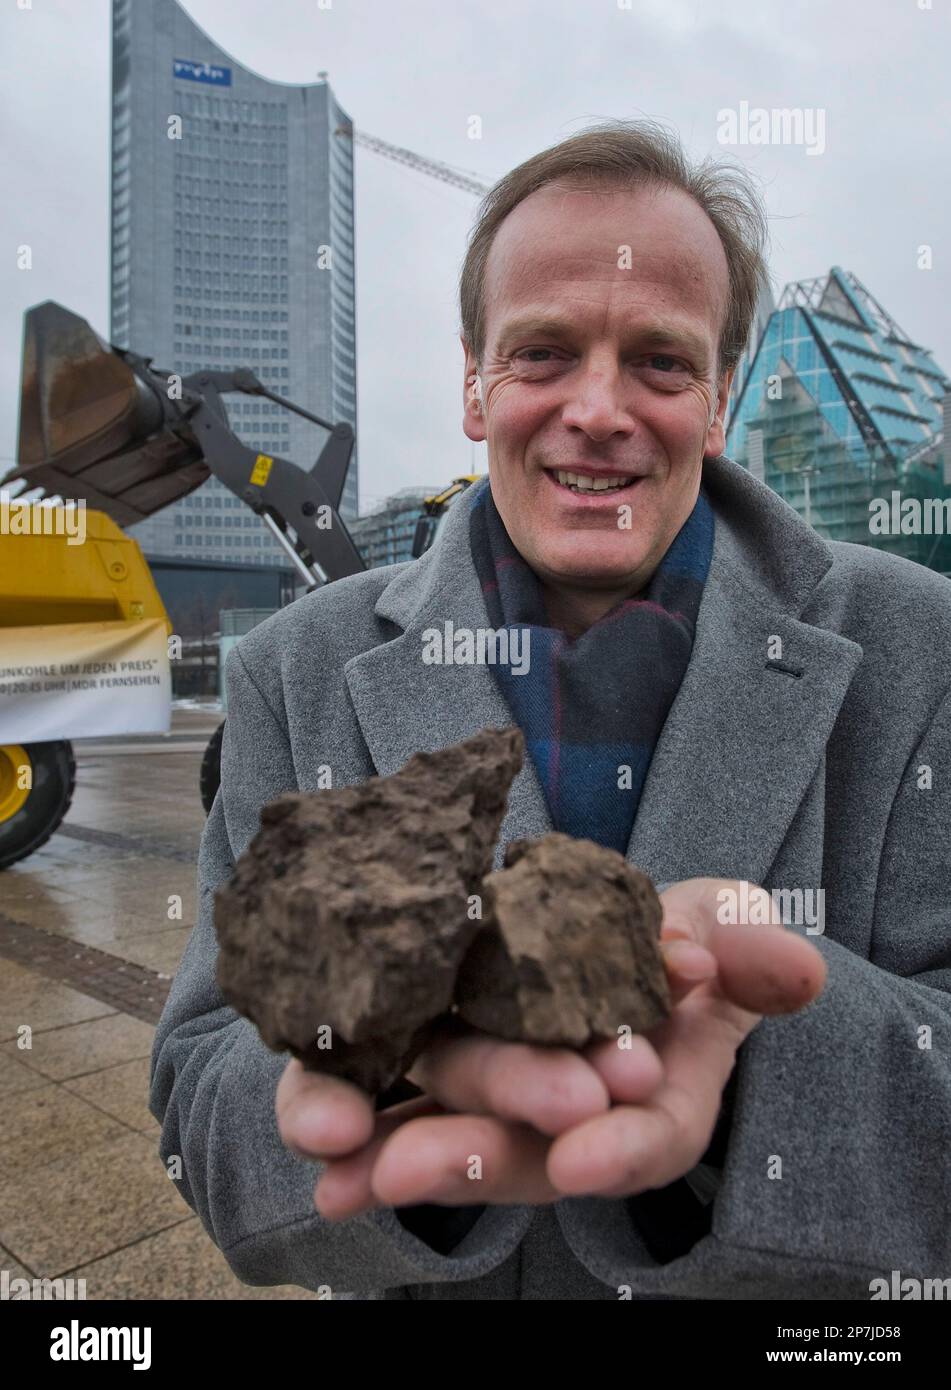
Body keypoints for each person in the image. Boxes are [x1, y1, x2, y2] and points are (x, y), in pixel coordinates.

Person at [150, 119, 951, 1300]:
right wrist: (364, 1060)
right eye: (544, 353)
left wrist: (744, 1060)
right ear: (473, 382)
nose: (598, 408)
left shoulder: (918, 645)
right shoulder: (293, 667)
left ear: (721, 399)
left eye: (661, 364)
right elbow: (195, 1089)